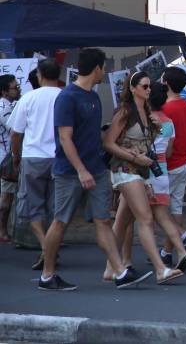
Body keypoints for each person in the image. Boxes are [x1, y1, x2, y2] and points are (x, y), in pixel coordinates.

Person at [40, 48, 149, 291]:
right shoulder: (67, 97)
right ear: (98, 68)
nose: (105, 72)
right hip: (70, 171)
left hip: (96, 168)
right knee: (61, 221)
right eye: (104, 67)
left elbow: (90, 134)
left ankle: (119, 272)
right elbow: (65, 139)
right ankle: (47, 276)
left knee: (102, 220)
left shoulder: (93, 96)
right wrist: (81, 170)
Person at [102, 74, 186, 283]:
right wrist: (134, 157)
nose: (149, 90)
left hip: (140, 172)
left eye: (150, 86)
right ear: (133, 88)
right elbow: (109, 143)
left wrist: (147, 178)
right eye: (145, 86)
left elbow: (149, 148)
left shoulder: (147, 112)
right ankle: (160, 268)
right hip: (125, 169)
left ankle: (110, 269)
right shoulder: (125, 111)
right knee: (146, 218)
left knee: (122, 222)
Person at [9, 59, 62, 264]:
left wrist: (16, 157)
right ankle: (50, 248)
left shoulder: (29, 98)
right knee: (56, 210)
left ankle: (45, 247)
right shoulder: (65, 96)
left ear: (39, 75)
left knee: (32, 208)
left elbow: (16, 133)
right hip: (60, 158)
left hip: (33, 157)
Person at [160, 66, 186, 261]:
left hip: (170, 164)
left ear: (165, 83)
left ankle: (183, 234)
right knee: (176, 208)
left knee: (159, 210)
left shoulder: (165, 109)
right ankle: (167, 252)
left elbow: (165, 142)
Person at [0, 73, 21, 240]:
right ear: (4, 92)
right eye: (15, 87)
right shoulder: (3, 107)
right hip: (6, 157)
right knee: (7, 195)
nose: (18, 89)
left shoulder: (10, 105)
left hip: (6, 155)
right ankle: (2, 231)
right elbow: (13, 129)